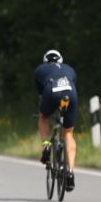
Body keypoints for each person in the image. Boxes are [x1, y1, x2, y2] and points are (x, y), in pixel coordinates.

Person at [34, 50, 78, 191]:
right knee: (68, 133)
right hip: (70, 94)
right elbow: (72, 83)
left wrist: (46, 109)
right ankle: (70, 172)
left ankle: (46, 146)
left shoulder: (40, 70)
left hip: (51, 92)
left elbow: (41, 94)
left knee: (43, 117)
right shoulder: (69, 68)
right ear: (61, 61)